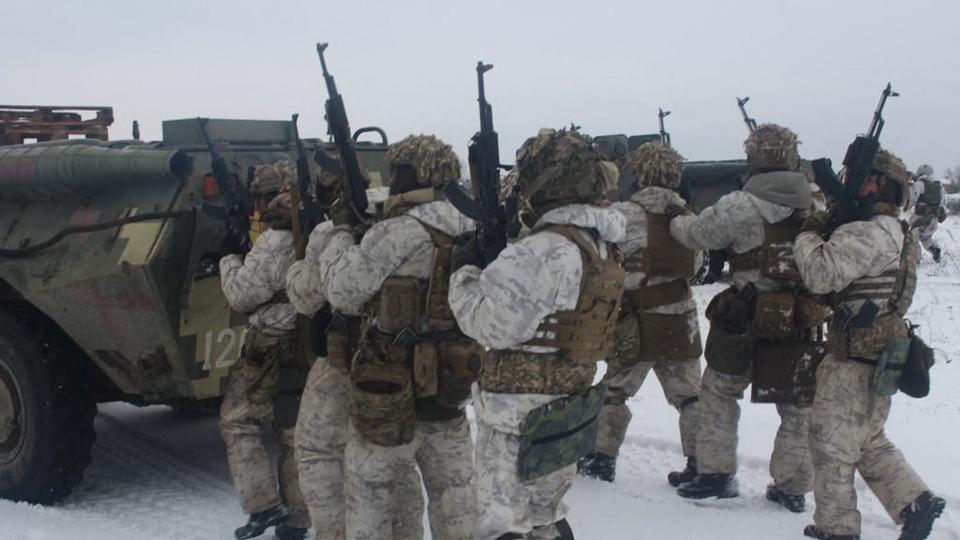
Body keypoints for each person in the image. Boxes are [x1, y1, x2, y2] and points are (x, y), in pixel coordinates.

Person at [449, 128, 626, 539]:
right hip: (564, 408)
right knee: (543, 516)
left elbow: (491, 324)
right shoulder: (600, 244)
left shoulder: (544, 249)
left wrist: (465, 273)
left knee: (502, 527)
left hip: (516, 418)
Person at [318, 134, 477, 540]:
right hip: (449, 391)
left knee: (371, 498)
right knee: (456, 498)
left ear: (411, 175)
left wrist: (340, 234)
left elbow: (344, 291)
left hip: (388, 390)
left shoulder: (398, 232)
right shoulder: (472, 225)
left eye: (397, 172)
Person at [794, 149, 946, 540]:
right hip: (875, 353)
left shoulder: (868, 231)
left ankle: (837, 529)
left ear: (884, 188)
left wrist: (811, 232)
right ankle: (914, 502)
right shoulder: (892, 228)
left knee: (830, 444)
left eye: (866, 180)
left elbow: (820, 273)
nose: (856, 186)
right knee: (865, 439)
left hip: (855, 359)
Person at [668, 124, 818, 512]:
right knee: (797, 406)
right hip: (799, 318)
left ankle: (717, 475)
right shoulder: (815, 202)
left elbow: (697, 235)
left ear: (753, 159)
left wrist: (675, 220)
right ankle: (792, 487)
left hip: (744, 316)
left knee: (718, 391)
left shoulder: (740, 203)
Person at [578, 142, 703, 486]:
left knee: (615, 390)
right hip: (681, 318)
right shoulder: (686, 216)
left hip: (637, 318)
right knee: (691, 395)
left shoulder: (623, 213)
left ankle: (601, 458)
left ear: (639, 172)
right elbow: (698, 264)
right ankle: (701, 463)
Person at [219, 161, 310, 540]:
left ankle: (263, 506)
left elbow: (241, 296)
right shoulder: (314, 229)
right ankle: (297, 519)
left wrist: (230, 259)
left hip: (268, 343)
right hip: (303, 343)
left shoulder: (274, 239)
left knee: (239, 421)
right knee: (292, 432)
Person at [909, 164, 946, 263]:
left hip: (920, 218)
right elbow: (942, 202)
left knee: (912, 239)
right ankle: (935, 250)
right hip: (933, 219)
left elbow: (912, 200)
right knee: (925, 237)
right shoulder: (939, 186)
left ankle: (915, 260)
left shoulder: (920, 184)